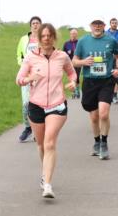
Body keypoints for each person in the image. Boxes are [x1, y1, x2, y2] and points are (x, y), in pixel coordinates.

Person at [16, 23, 76, 197]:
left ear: (54, 37)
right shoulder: (30, 57)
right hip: (36, 105)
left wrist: (73, 82)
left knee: (50, 143)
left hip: (57, 105)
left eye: (49, 35)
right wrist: (29, 78)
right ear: (38, 38)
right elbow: (19, 79)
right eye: (43, 36)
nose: (46, 38)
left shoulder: (62, 56)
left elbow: (72, 73)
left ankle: (48, 184)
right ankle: (45, 175)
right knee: (41, 145)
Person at [71, 19, 118, 160]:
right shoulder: (83, 41)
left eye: (100, 24)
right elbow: (74, 61)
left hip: (106, 81)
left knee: (104, 114)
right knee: (94, 117)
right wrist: (83, 62)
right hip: (90, 82)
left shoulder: (111, 40)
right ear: (91, 26)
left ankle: (104, 143)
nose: (97, 27)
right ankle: (97, 141)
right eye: (95, 24)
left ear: (104, 26)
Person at [15, 16, 41, 142]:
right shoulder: (24, 39)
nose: (35, 25)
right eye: (33, 23)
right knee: (26, 103)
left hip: (40, 75)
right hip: (26, 75)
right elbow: (19, 55)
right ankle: (28, 127)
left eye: (37, 23)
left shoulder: (44, 38)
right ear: (30, 25)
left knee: (39, 103)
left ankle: (38, 129)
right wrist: (23, 65)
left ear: (40, 25)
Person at [62, 27, 82, 99]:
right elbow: (63, 53)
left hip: (78, 62)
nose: (73, 35)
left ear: (77, 34)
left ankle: (77, 90)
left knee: (77, 76)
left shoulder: (80, 43)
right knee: (71, 77)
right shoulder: (66, 44)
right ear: (70, 34)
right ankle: (74, 92)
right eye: (72, 33)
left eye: (75, 34)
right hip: (69, 63)